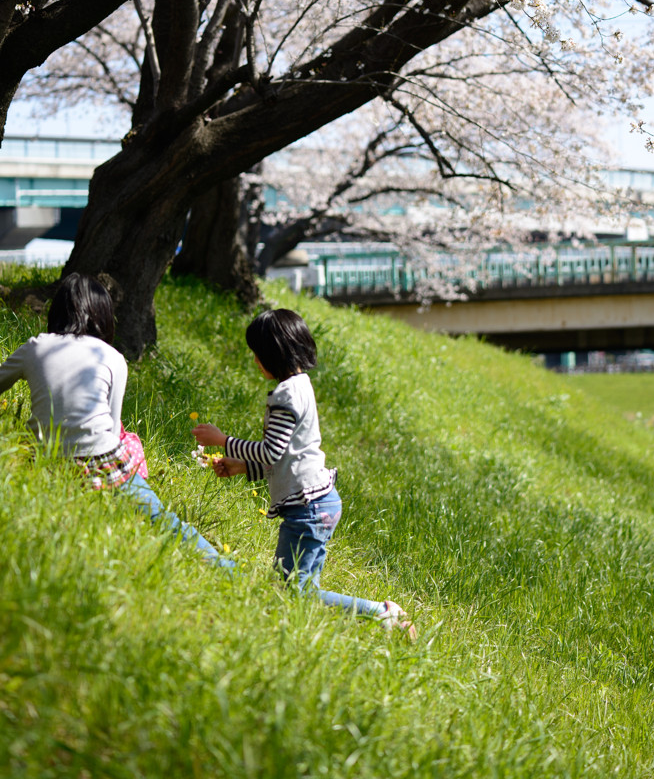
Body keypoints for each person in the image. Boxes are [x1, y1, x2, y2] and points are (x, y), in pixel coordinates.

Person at [192, 307, 416, 637]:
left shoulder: (285, 397)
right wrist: (242, 467)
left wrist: (223, 440)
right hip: (319, 502)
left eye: (257, 354)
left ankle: (381, 613)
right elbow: (289, 455)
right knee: (303, 592)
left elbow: (271, 450)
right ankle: (339, 626)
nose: (255, 361)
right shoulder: (302, 385)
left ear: (274, 353)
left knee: (290, 590)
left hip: (307, 511)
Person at [0, 272, 234, 570]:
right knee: (163, 520)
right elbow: (112, 427)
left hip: (45, 460)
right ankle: (223, 567)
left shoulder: (36, 347)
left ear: (57, 311)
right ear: (103, 316)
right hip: (103, 461)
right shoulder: (112, 357)